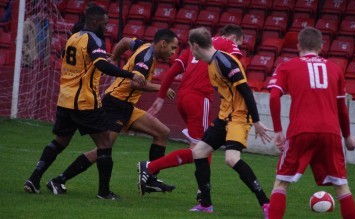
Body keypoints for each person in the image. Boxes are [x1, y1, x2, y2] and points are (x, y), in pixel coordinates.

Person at [140, 27, 272, 217]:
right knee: (199, 152)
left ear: (195, 46)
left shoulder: (224, 61)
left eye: (190, 50)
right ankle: (206, 204)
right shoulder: (211, 64)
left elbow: (246, 91)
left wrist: (257, 122)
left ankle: (266, 204)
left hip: (239, 117)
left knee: (231, 159)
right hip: (224, 116)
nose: (191, 55)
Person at [23, 5, 146, 200]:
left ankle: (33, 178)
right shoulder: (94, 38)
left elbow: (78, 61)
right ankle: (104, 193)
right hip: (84, 100)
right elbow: (101, 66)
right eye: (105, 24)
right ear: (96, 22)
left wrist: (97, 59)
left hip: (65, 99)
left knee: (60, 141)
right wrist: (130, 74)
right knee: (105, 143)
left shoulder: (74, 37)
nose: (107, 28)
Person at [45, 29, 179, 196]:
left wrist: (114, 58)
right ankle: (59, 179)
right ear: (162, 44)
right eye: (172, 48)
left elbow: (123, 41)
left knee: (162, 133)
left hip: (127, 106)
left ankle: (150, 179)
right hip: (115, 105)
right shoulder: (146, 57)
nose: (173, 53)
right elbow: (134, 84)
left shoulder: (143, 45)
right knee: (102, 149)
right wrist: (160, 88)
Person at [266, 27, 355, 219]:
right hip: (331, 132)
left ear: (298, 45)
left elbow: (274, 97)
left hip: (301, 130)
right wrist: (347, 136)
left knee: (281, 183)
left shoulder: (287, 66)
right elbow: (342, 107)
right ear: (321, 47)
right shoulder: (335, 69)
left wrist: (277, 130)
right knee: (341, 186)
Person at [144, 24, 244, 199]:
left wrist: (160, 99)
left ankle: (201, 191)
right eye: (239, 43)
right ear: (234, 38)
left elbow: (171, 73)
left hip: (183, 98)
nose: (238, 47)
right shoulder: (228, 44)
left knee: (197, 147)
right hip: (200, 98)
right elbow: (235, 69)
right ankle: (150, 168)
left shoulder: (195, 44)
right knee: (205, 147)